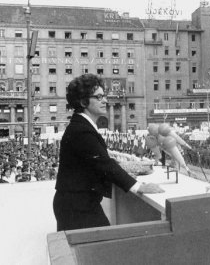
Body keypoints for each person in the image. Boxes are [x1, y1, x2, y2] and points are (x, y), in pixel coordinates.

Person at [53, 74, 164, 231]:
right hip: (77, 208)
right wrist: (139, 187)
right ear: (83, 101)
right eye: (98, 97)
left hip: (78, 203)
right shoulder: (82, 130)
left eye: (103, 96)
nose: (105, 100)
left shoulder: (82, 126)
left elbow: (99, 161)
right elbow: (104, 165)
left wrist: (133, 167)